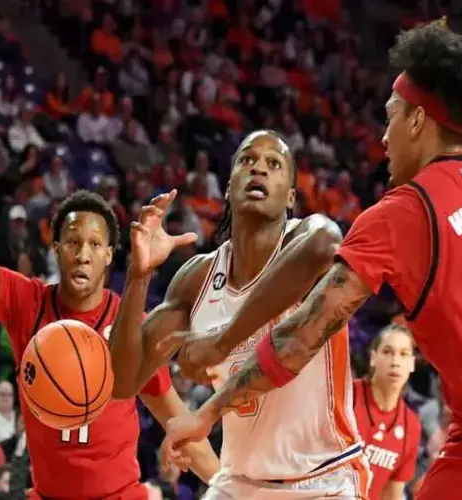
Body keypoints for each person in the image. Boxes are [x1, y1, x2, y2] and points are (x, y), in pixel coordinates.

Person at [159, 21, 462, 500]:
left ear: (417, 120)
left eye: (390, 117)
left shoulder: (402, 212)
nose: (382, 138)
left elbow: (298, 338)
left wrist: (206, 412)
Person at [0, 95, 219, 499]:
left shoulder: (131, 323)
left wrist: (236, 488)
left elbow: (178, 420)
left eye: (95, 243)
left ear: (110, 255)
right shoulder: (27, 301)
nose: (83, 253)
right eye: (72, 241)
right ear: (55, 247)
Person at [111, 129, 369, 498]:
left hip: (323, 478)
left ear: (291, 196)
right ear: (229, 186)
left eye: (274, 164)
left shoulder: (306, 240)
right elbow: (122, 382)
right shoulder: (196, 278)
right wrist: (139, 275)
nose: (258, 170)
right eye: (247, 161)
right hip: (239, 482)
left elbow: (326, 243)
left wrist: (222, 340)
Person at [353, 325, 420, 500]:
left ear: (412, 364)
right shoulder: (347, 396)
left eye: (403, 354)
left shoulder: (411, 426)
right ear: (373, 358)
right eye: (387, 352)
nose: (395, 362)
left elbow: (392, 495)